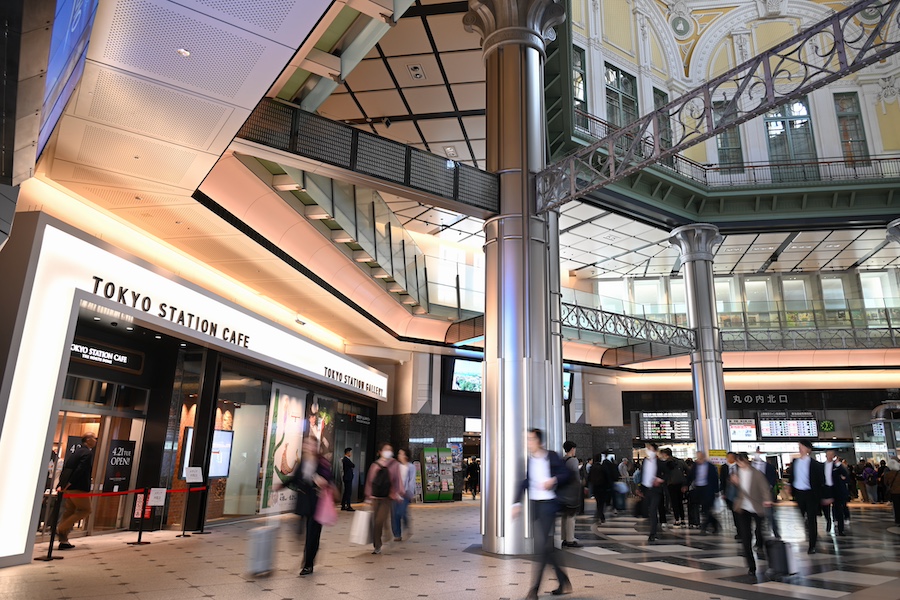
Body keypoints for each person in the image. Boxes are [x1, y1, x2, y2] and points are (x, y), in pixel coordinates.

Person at [512, 429, 572, 600]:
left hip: (549, 505)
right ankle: (563, 581)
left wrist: (553, 480)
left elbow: (566, 473)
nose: (527, 442)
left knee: (541, 548)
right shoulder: (531, 460)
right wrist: (517, 502)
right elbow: (526, 481)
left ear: (539, 441)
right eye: (527, 439)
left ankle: (534, 590)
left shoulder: (551, 456)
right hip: (535, 506)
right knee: (547, 547)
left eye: (530, 439)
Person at [289, 436, 333, 576]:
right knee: (302, 533)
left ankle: (308, 564)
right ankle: (309, 555)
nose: (309, 447)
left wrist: (322, 481)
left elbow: (329, 479)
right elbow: (295, 478)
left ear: (317, 447)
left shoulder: (322, 462)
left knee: (312, 535)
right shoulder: (302, 462)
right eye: (307, 444)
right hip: (303, 503)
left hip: (317, 503)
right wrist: (280, 486)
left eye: (312, 444)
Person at [731, 452, 772, 576]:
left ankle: (769, 560)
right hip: (742, 508)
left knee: (760, 533)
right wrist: (735, 483)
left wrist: (767, 500)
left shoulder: (756, 473)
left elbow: (764, 488)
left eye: (741, 461)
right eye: (738, 462)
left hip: (757, 507)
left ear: (746, 461)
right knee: (745, 537)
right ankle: (751, 566)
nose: (740, 464)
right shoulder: (736, 474)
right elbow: (733, 491)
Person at [56, 432, 98, 550]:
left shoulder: (76, 452)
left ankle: (63, 540)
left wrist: (63, 484)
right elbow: (81, 469)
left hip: (69, 488)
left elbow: (67, 468)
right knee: (86, 509)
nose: (96, 441)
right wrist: (71, 482)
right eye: (94, 438)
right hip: (78, 488)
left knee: (70, 511)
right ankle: (61, 528)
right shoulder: (87, 453)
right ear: (88, 439)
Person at [787, 440, 825, 554]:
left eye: (802, 446)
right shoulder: (795, 462)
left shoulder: (816, 465)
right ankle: (809, 533)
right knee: (803, 517)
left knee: (811, 519)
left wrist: (823, 496)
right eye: (799, 446)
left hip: (811, 494)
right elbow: (792, 477)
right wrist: (790, 486)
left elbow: (820, 481)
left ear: (808, 449)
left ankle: (812, 545)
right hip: (799, 494)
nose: (800, 448)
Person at [365, 442, 402, 555]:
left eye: (390, 449)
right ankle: (377, 545)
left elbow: (398, 479)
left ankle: (386, 535)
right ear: (380, 452)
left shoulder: (394, 464)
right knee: (376, 522)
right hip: (375, 497)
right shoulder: (375, 465)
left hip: (387, 497)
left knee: (379, 520)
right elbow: (370, 481)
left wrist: (398, 493)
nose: (388, 451)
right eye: (386, 449)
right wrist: (368, 496)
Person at [638, 442, 665, 542]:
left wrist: (660, 479)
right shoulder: (645, 461)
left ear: (655, 451)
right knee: (648, 511)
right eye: (648, 448)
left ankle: (652, 533)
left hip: (655, 490)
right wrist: (640, 488)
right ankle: (655, 531)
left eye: (650, 449)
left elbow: (666, 474)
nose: (648, 450)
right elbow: (642, 474)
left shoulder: (659, 463)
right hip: (646, 489)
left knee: (653, 510)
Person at [688, 451, 720, 534]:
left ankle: (704, 527)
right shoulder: (695, 466)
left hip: (708, 489)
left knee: (706, 509)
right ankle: (715, 524)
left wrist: (716, 491)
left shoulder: (710, 466)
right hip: (698, 488)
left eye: (701, 457)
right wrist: (686, 485)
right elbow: (691, 476)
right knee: (704, 509)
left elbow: (715, 478)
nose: (699, 459)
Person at [752, 449, 780, 539]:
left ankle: (776, 533)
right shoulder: (751, 467)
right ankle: (759, 538)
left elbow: (773, 480)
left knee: (770, 516)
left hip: (767, 495)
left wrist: (768, 490)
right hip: (755, 496)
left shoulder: (770, 467)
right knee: (758, 518)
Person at [559, 440, 582, 547]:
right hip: (572, 491)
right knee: (571, 516)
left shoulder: (562, 459)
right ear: (572, 449)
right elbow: (576, 477)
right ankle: (570, 539)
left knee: (565, 515)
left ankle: (564, 537)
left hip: (563, 490)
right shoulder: (573, 461)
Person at [391, 448, 416, 541]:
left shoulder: (411, 467)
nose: (399, 455)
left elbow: (412, 480)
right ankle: (397, 534)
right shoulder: (397, 466)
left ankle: (406, 525)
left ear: (405, 455)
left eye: (401, 453)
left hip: (405, 493)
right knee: (395, 514)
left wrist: (409, 492)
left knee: (400, 512)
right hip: (396, 493)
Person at [822, 450, 848, 536]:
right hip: (826, 489)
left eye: (831, 454)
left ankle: (841, 529)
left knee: (838, 509)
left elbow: (845, 474)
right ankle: (828, 521)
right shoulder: (822, 466)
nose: (829, 456)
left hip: (836, 490)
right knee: (826, 508)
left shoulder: (837, 466)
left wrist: (838, 464)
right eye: (828, 454)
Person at [660, 448, 687, 527]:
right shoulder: (680, 461)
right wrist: (685, 483)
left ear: (665, 454)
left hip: (671, 484)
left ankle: (677, 520)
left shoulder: (665, 463)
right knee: (680, 502)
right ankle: (683, 519)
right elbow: (688, 471)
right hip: (681, 484)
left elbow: (664, 474)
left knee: (674, 502)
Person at [588, 452, 611, 525]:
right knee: (602, 502)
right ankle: (601, 515)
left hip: (595, 487)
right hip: (602, 487)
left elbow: (589, 478)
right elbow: (607, 477)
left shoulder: (592, 468)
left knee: (598, 502)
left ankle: (599, 514)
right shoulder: (602, 467)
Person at [719, 452, 738, 538]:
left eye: (730, 457)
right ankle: (738, 528)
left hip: (739, 492)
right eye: (728, 457)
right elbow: (722, 480)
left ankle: (741, 530)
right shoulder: (724, 467)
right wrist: (723, 492)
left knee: (738, 512)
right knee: (733, 512)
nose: (729, 458)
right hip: (729, 493)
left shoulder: (739, 466)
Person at [882, 458, 900, 525]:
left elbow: (885, 483)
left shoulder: (888, 474)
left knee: (896, 507)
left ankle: (898, 520)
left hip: (894, 492)